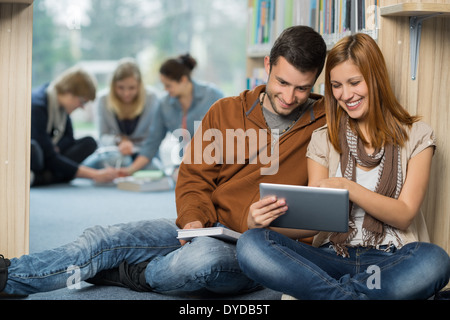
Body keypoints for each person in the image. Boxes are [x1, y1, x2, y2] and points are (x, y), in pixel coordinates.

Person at [0, 26, 327, 297]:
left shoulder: (328, 119)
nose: (288, 97)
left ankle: (136, 275)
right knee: (103, 238)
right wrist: (194, 220)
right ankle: (9, 276)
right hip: (210, 228)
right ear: (268, 66)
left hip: (265, 252)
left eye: (302, 89)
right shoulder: (226, 111)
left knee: (202, 261)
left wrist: (256, 225)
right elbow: (194, 178)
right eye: (282, 83)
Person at [236, 33, 450, 300]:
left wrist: (348, 188)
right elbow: (315, 221)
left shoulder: (417, 135)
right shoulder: (323, 138)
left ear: (375, 79)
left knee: (435, 259)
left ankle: (332, 296)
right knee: (251, 244)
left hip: (390, 260)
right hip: (331, 257)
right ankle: (348, 297)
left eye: (354, 83)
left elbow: (404, 214)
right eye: (336, 85)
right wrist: (262, 223)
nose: (346, 95)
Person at [118, 54, 224, 177]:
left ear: (183, 80)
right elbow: (152, 142)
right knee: (178, 178)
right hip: (187, 163)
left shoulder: (212, 95)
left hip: (215, 159)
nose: (165, 90)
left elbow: (229, 132)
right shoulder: (164, 104)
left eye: (168, 85)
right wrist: (130, 170)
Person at [30, 66, 118, 186]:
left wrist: (54, 147)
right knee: (35, 150)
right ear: (68, 91)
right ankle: (44, 177)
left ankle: (43, 178)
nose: (82, 107)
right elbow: (47, 154)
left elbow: (69, 140)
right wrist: (95, 174)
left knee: (89, 143)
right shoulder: (37, 106)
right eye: (82, 101)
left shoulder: (62, 110)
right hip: (38, 158)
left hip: (50, 157)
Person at [83, 58, 161, 170]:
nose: (126, 93)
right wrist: (119, 141)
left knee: (154, 168)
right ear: (113, 85)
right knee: (121, 161)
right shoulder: (103, 100)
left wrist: (134, 147)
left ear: (139, 86)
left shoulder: (152, 98)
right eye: (120, 88)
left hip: (144, 153)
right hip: (116, 152)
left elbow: (155, 137)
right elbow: (102, 136)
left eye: (132, 88)